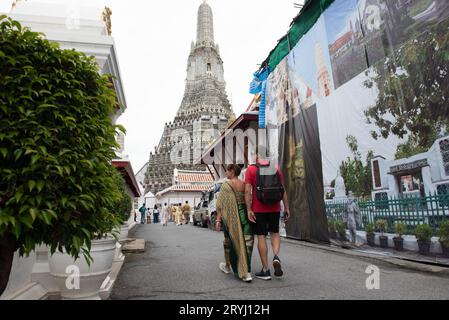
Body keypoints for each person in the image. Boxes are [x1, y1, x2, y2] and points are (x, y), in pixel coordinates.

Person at [245, 148, 290, 280]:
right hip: (275, 208)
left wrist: (249, 209)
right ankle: (276, 256)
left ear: (258, 155)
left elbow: (247, 191)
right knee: (275, 233)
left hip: (258, 209)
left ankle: (266, 270)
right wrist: (287, 207)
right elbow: (283, 190)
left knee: (261, 237)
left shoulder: (251, 170)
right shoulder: (276, 168)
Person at [216, 164, 253, 283]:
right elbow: (249, 197)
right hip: (245, 216)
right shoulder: (244, 184)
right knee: (247, 243)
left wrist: (218, 220)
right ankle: (246, 270)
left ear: (232, 171)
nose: (226, 173)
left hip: (231, 218)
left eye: (227, 171)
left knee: (228, 241)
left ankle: (228, 266)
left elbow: (220, 205)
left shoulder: (226, 185)